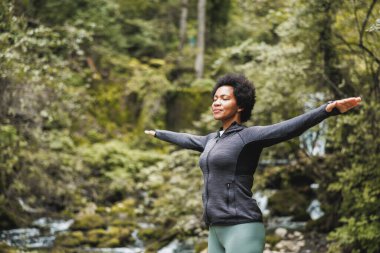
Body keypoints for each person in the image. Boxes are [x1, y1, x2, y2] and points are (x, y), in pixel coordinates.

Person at [144, 73, 361, 253]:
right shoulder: (211, 140)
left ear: (240, 106)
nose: (216, 102)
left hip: (242, 226)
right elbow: (187, 139)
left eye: (224, 98)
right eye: (215, 98)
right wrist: (159, 134)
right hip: (215, 228)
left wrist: (327, 110)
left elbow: (290, 127)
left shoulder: (249, 137)